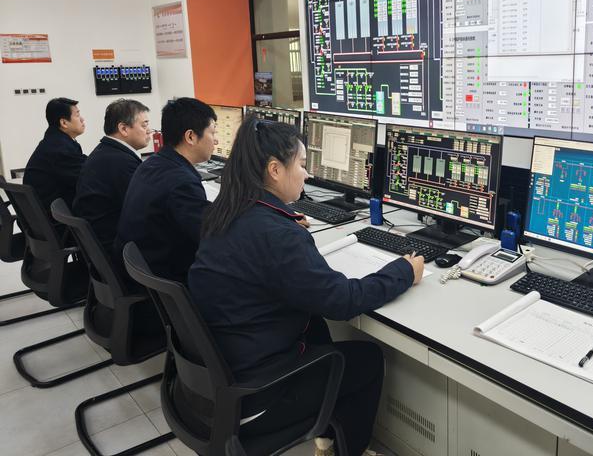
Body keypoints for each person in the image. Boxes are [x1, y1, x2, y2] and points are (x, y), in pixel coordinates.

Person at [188, 118, 424, 456]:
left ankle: (327, 439)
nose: (307, 174)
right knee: (368, 358)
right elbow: (343, 301)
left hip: (220, 379)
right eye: (301, 164)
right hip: (256, 397)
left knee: (315, 326)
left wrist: (284, 224)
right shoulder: (277, 236)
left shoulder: (226, 212)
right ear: (274, 170)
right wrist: (403, 271)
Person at [116, 98, 216, 283]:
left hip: (141, 270)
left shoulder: (153, 163)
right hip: (168, 279)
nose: (216, 140)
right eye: (213, 133)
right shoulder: (181, 182)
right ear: (191, 137)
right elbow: (211, 237)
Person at [73, 99, 151, 262]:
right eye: (144, 125)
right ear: (123, 129)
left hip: (100, 247)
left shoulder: (106, 152)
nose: (149, 131)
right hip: (117, 252)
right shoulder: (120, 163)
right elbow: (146, 211)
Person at [24, 97, 87, 210]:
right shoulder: (60, 149)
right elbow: (87, 177)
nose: (82, 119)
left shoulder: (54, 141)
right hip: (56, 214)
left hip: (44, 211)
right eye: (77, 115)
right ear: (64, 123)